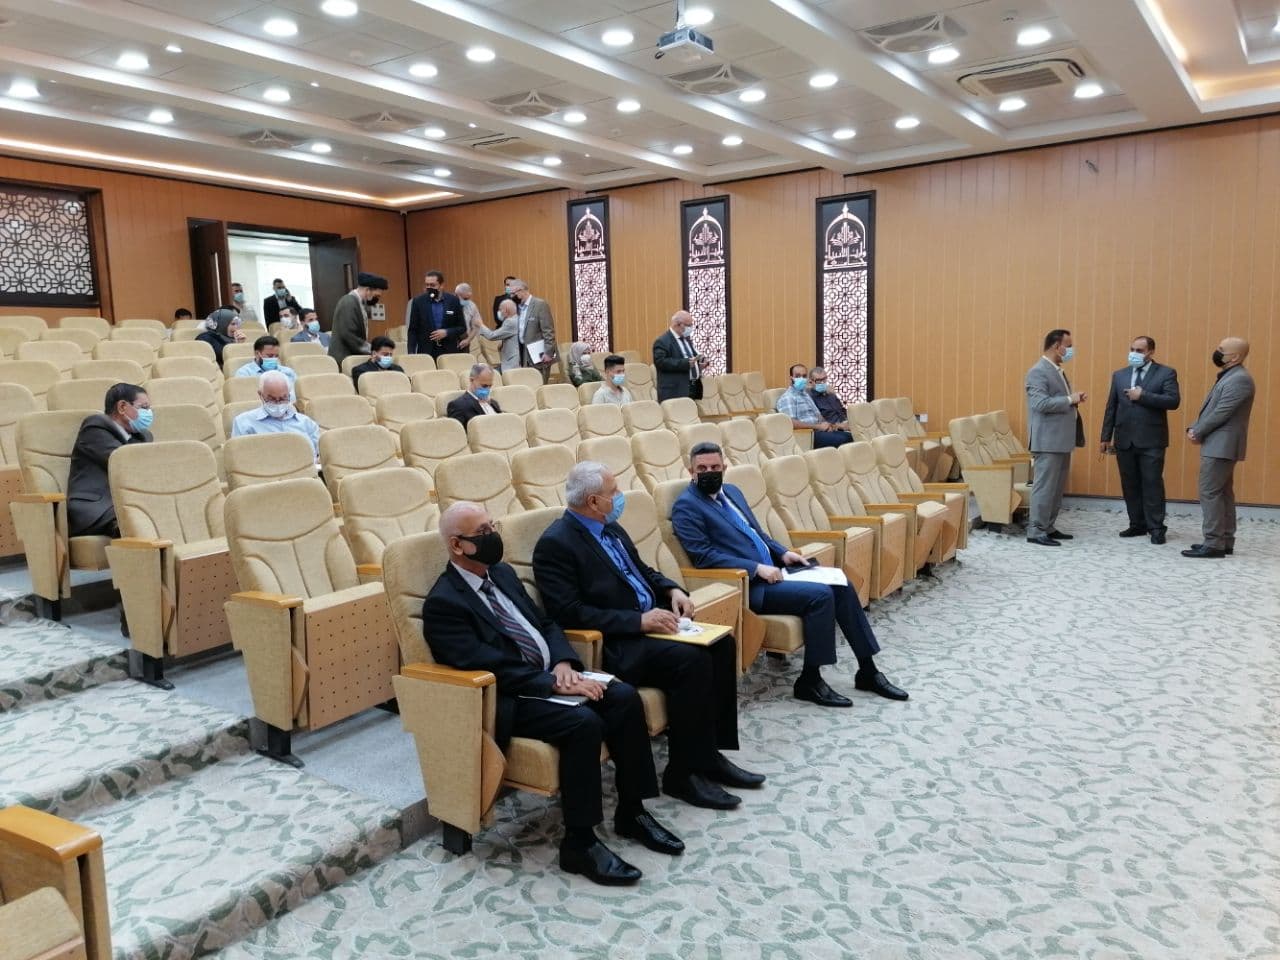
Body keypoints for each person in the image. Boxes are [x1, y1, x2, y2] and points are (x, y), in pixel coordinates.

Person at [425, 501, 683, 885]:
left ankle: (633, 811)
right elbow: (486, 664)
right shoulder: (444, 602)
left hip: (551, 675)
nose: (493, 536)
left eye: (492, 525)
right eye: (482, 532)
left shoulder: (503, 574)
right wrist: (552, 683)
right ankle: (579, 843)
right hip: (509, 697)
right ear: (456, 545)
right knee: (582, 723)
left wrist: (563, 663)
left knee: (623, 696)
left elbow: (545, 622)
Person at [533, 461, 764, 812]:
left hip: (651, 626)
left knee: (722, 644)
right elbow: (569, 612)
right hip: (617, 643)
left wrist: (672, 590)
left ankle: (709, 755)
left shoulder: (610, 528)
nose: (619, 496)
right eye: (613, 492)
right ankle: (682, 773)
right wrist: (638, 621)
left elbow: (642, 571)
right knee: (692, 661)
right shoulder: (556, 544)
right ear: (593, 501)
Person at [672, 442, 907, 708]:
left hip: (777, 570)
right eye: (702, 468)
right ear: (690, 471)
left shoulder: (732, 492)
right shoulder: (686, 506)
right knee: (821, 595)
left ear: (724, 467)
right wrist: (756, 568)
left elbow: (757, 533)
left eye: (715, 467)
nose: (709, 473)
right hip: (748, 586)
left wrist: (783, 553)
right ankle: (810, 680)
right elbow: (703, 556)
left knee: (841, 582)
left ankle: (868, 670)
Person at [1099, 336, 1181, 544]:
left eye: (1140, 350)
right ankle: (1137, 524)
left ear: (1151, 352)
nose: (1134, 353)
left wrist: (1142, 396)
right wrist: (1105, 436)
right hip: (1124, 439)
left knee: (1152, 483)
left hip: (1152, 440)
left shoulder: (1166, 373)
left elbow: (1173, 401)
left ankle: (1156, 528)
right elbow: (1111, 407)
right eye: (1132, 349)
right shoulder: (1120, 375)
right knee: (1130, 484)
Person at [1183, 337, 1255, 558]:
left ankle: (1214, 543)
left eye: (1221, 350)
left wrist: (1197, 431)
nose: (1217, 352)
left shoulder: (1240, 379)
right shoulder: (1230, 375)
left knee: (1210, 492)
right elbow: (1212, 410)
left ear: (1235, 356)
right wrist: (1195, 427)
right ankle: (1224, 540)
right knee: (1222, 493)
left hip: (1222, 444)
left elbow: (1221, 412)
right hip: (1219, 443)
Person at [67, 383, 153, 537]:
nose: (148, 413)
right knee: (139, 518)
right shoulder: (94, 428)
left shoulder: (143, 436)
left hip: (126, 503)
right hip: (94, 507)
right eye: (144, 407)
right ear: (122, 407)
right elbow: (126, 466)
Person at [1025, 329, 1086, 546]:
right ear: (1056, 346)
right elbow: (1040, 404)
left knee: (1056, 488)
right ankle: (1036, 531)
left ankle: (1048, 526)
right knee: (1045, 488)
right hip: (1047, 442)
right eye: (1068, 346)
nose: (1070, 350)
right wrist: (1070, 399)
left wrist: (1072, 400)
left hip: (1061, 440)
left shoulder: (1057, 370)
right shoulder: (1038, 371)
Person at [230, 371, 322, 459]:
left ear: (289, 395)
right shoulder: (244, 423)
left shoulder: (307, 423)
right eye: (272, 399)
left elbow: (319, 456)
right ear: (260, 395)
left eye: (283, 398)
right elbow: (240, 460)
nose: (278, 403)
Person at [776, 363, 852, 448]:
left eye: (804, 376)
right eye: (797, 376)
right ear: (791, 378)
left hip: (820, 430)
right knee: (844, 439)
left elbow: (818, 415)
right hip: (808, 434)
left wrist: (828, 425)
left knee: (852, 436)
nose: (801, 379)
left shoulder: (805, 395)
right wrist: (818, 426)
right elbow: (791, 423)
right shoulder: (787, 397)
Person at [329, 272, 388, 367]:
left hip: (351, 357)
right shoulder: (348, 302)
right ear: (368, 290)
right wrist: (373, 350)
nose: (377, 299)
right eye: (376, 296)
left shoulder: (359, 303)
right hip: (344, 359)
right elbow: (349, 335)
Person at [408, 270, 466, 357]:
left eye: (432, 285)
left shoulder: (453, 301)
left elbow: (462, 327)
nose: (429, 288)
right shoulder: (418, 301)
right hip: (426, 352)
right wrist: (411, 352)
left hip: (449, 351)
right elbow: (413, 330)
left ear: (441, 285)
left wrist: (447, 332)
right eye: (427, 285)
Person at [509, 278, 558, 380]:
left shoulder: (540, 304)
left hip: (539, 355)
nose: (511, 297)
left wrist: (548, 353)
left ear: (521, 290)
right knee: (528, 384)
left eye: (513, 294)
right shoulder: (517, 307)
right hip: (523, 353)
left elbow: (548, 331)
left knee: (540, 384)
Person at [653, 311, 705, 402]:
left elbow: (692, 357)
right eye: (689, 325)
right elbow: (660, 362)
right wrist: (685, 363)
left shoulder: (686, 339)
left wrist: (699, 364)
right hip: (675, 391)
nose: (691, 328)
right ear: (678, 324)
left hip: (693, 387)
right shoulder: (662, 341)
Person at [456, 283, 502, 368]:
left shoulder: (471, 305)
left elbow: (476, 325)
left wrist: (468, 340)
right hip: (452, 339)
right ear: (456, 295)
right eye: (465, 298)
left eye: (469, 298)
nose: (467, 300)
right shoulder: (449, 304)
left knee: (466, 365)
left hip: (465, 339)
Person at [446, 363, 502, 429]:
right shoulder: (458, 405)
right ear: (471, 380)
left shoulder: (493, 403)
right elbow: (457, 432)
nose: (487, 389)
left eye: (490, 386)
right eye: (484, 386)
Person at [472, 297, 520, 371]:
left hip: (511, 362)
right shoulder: (518, 319)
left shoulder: (510, 322)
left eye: (500, 310)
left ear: (506, 310)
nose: (499, 312)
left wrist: (480, 324)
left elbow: (492, 336)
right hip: (514, 360)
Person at [807, 366, 849, 430]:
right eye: (818, 380)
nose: (822, 382)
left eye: (824, 379)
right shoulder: (809, 398)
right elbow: (817, 421)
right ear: (810, 382)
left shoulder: (831, 394)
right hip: (829, 430)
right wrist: (838, 426)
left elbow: (842, 411)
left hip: (845, 425)